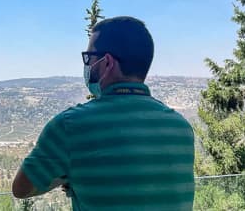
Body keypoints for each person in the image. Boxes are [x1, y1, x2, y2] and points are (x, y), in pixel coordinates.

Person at [12, 16, 195, 210]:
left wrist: (69, 175)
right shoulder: (181, 128)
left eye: (89, 58)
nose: (87, 66)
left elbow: (21, 189)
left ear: (107, 63)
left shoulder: (70, 126)